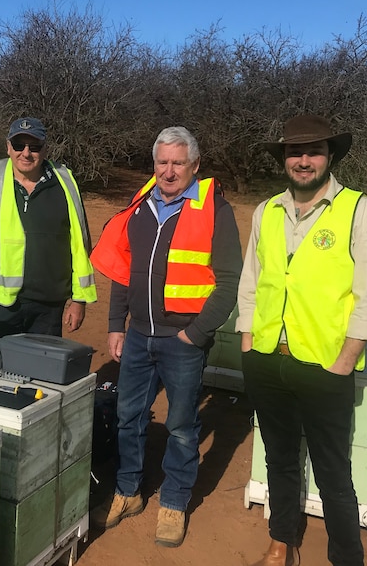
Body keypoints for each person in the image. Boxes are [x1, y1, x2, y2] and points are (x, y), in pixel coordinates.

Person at [238, 114, 367, 566]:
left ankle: (346, 557)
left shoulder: (360, 211)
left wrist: (346, 360)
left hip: (327, 365)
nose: (303, 160)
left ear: (330, 157)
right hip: (268, 359)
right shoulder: (266, 211)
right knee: (279, 459)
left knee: (332, 472)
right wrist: (248, 344)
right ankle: (281, 540)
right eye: (294, 152)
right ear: (283, 159)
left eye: (313, 152)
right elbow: (252, 282)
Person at [89, 126, 243, 547]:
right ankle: (128, 492)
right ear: (153, 164)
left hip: (182, 343)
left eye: (178, 163)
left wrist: (196, 334)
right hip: (137, 336)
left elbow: (230, 281)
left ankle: (174, 502)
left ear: (195, 165)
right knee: (128, 419)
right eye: (162, 162)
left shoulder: (215, 211)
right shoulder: (140, 208)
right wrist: (116, 325)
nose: (169, 171)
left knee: (179, 425)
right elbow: (124, 269)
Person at [0, 117, 96, 337]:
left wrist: (79, 300)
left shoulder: (65, 185)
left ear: (45, 148)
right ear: (8, 147)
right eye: (18, 145)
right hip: (0, 306)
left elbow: (80, 244)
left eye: (34, 146)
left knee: (41, 371)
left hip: (49, 308)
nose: (26, 153)